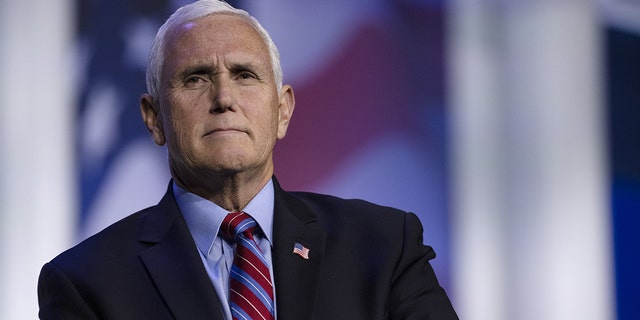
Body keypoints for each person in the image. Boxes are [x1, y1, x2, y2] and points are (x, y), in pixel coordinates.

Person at [37, 0, 458, 319]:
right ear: (154, 118)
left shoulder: (385, 246)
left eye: (245, 75)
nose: (224, 99)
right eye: (195, 78)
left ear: (282, 111)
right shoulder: (85, 284)